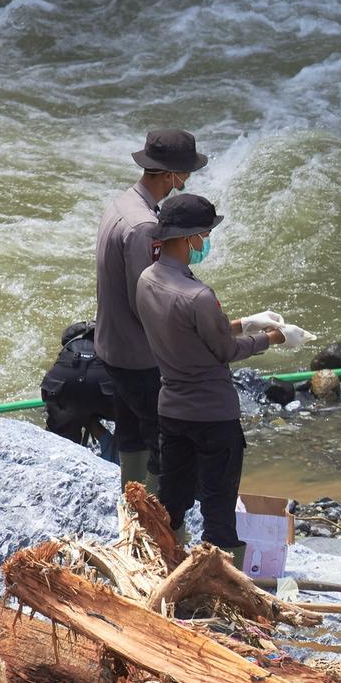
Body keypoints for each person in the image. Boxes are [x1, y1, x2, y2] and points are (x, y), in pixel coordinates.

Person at [133, 194, 303, 563]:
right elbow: (225, 350)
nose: (205, 243)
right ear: (190, 238)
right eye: (205, 235)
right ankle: (223, 589)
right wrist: (273, 337)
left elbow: (192, 333)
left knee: (172, 500)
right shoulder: (198, 295)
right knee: (218, 509)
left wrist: (244, 322)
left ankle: (163, 565)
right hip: (213, 417)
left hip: (172, 411)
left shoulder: (147, 280)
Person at [97, 128, 208, 487]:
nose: (188, 178)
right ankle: (159, 527)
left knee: (131, 435)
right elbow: (145, 299)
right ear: (170, 175)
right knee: (164, 445)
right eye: (186, 172)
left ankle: (130, 512)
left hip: (112, 346)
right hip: (139, 356)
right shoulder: (145, 226)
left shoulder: (122, 203)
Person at [40, 320, 117, 458]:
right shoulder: (116, 337)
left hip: (61, 383)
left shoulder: (70, 345)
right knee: (132, 430)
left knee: (62, 440)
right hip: (103, 388)